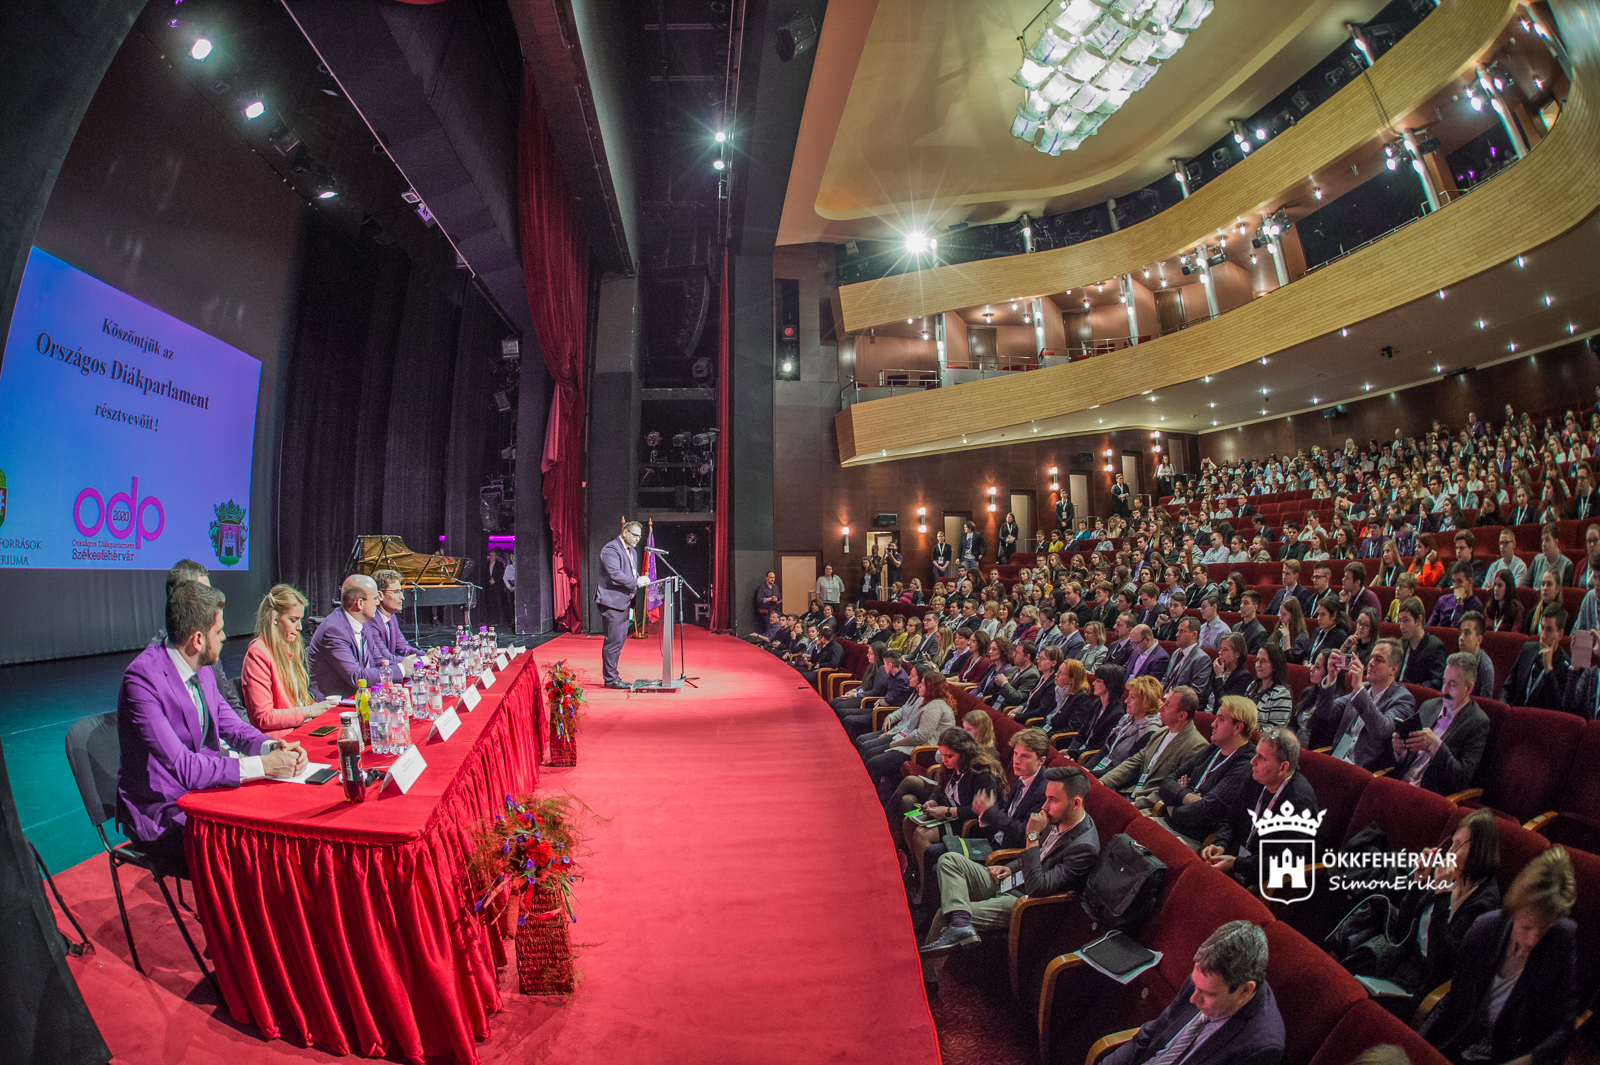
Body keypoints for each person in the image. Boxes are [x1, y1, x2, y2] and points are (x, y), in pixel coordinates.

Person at [117, 580, 308, 877]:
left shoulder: (202, 667)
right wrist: (265, 766)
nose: (224, 637)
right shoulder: (142, 679)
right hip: (162, 811)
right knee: (252, 850)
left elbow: (231, 724)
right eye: (218, 632)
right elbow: (183, 767)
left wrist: (272, 748)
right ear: (197, 639)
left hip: (202, 792)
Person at [1419, 847, 1580, 1065]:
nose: (1532, 940)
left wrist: (1530, 1059)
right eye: (1526, 927)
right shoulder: (1485, 929)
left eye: (1543, 930)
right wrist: (1419, 1044)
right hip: (1460, 1042)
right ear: (1515, 909)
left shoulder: (1562, 939)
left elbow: (1565, 1023)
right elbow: (1454, 999)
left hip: (1510, 1054)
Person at [918, 765, 1100, 957]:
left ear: (1076, 803)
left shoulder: (1084, 847)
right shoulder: (1057, 817)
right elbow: (1039, 854)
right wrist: (1011, 868)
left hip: (1023, 901)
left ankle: (928, 981)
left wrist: (1031, 835)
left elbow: (1038, 887)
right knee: (949, 860)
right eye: (1046, 798)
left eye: (1052, 800)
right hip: (1011, 880)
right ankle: (961, 923)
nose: (1045, 806)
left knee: (945, 913)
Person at [1097, 920, 1284, 1065]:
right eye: (1195, 986)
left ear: (1245, 990)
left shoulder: (1261, 1047)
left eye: (1208, 995)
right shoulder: (1206, 978)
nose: (1193, 999)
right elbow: (1151, 1033)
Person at [1202, 728, 1318, 891]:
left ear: (1282, 768)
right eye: (1255, 754)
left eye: (1261, 758)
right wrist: (1221, 844)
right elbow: (1230, 819)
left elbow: (1285, 861)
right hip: (1238, 860)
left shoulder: (1299, 802)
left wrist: (1237, 863)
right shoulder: (1256, 777)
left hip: (1265, 879)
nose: (1252, 761)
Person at [1153, 696, 1258, 851]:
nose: (1213, 724)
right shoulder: (1214, 748)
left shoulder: (1244, 765)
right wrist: (1187, 796)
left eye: (1221, 720)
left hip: (1192, 837)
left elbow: (1206, 811)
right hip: (1169, 822)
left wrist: (1173, 806)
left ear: (1238, 727)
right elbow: (1167, 781)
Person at [240, 584, 339, 739]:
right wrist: (311, 711)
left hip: (302, 729)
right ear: (274, 618)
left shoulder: (289, 647)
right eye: (293, 620)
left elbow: (298, 703)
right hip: (283, 739)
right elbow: (265, 717)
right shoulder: (258, 653)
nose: (299, 627)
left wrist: (323, 708)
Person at [1391, 652, 1491, 795]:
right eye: (1444, 682)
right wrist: (1400, 751)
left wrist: (1435, 745)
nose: (1444, 690)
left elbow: (1461, 779)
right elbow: (1403, 762)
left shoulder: (1477, 722)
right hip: (1401, 784)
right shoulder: (1429, 706)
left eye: (1452, 684)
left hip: (1428, 795)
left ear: (1469, 688)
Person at [160, 560, 249, 718]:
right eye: (203, 593)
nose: (212, 600)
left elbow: (229, 702)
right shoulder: (156, 667)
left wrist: (258, 739)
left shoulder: (207, 650)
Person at [1311, 640, 1416, 770]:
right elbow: (1326, 712)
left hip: (1364, 771)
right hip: (1338, 759)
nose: (1371, 663)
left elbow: (1381, 730)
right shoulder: (1364, 689)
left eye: (1379, 660)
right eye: (1371, 658)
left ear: (1393, 669)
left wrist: (1359, 689)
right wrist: (1331, 678)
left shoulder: (1403, 699)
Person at [1097, 686, 1209, 808]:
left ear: (1182, 716)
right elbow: (1135, 762)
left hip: (1149, 805)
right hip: (1131, 791)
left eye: (1167, 705)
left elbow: (1171, 788)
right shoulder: (1161, 732)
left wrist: (1135, 805)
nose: (1161, 708)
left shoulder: (1196, 746)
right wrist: (1104, 781)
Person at [308, 574, 415, 699]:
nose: (378, 602)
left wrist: (407, 666)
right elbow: (357, 676)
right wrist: (401, 669)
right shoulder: (334, 631)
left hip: (360, 695)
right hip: (334, 703)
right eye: (375, 598)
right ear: (360, 603)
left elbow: (377, 660)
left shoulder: (363, 624)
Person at [595, 521, 650, 689]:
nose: (637, 539)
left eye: (639, 536)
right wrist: (637, 581)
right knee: (614, 642)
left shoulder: (632, 551)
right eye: (634, 535)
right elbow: (615, 575)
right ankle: (611, 680)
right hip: (612, 602)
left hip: (624, 602)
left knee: (618, 641)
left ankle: (612, 677)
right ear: (624, 532)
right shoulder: (611, 549)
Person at [1501, 608, 1570, 711]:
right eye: (1542, 628)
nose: (1543, 635)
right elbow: (1508, 687)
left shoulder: (1565, 665)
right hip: (1516, 714)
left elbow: (1558, 707)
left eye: (1549, 630)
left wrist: (1548, 669)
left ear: (1560, 634)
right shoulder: (1528, 649)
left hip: (1540, 721)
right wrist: (1503, 707)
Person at [368, 568, 426, 663]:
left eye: (401, 591)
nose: (402, 598)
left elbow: (406, 649)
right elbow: (386, 658)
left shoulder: (392, 617)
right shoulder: (371, 620)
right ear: (380, 595)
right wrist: (426, 660)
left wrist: (427, 654)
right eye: (396, 592)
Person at [1396, 597, 1449, 689]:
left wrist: (1411, 688)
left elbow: (1437, 682)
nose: (1402, 626)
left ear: (1419, 620)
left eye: (1406, 620)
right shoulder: (1401, 643)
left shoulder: (1435, 647)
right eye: (1400, 621)